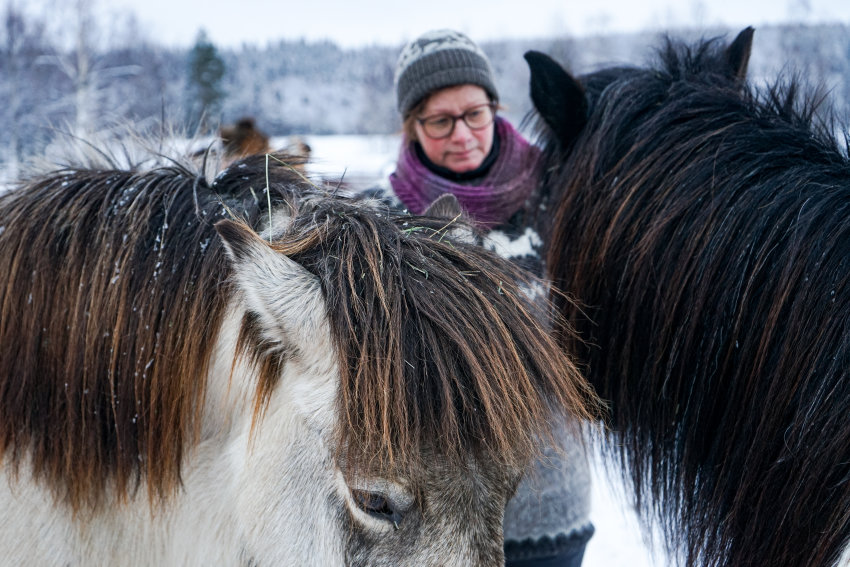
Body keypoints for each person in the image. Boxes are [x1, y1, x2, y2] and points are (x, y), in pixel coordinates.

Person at [387, 29, 595, 567]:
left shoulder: (559, 195)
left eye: (474, 113)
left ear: (494, 107)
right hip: (433, 528)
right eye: (439, 120)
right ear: (412, 127)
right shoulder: (382, 221)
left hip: (552, 512)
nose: (462, 134)